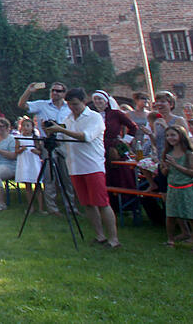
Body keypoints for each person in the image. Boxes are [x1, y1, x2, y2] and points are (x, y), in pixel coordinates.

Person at [45, 88, 120, 248]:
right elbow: (61, 139)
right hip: (74, 166)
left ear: (84, 102)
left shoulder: (95, 118)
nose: (73, 108)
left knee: (101, 203)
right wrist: (52, 132)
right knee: (86, 203)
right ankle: (99, 236)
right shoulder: (69, 118)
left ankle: (114, 239)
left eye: (76, 105)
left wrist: (61, 129)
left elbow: (85, 136)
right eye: (70, 105)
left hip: (92, 165)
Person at [18, 81, 76, 217]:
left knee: (67, 176)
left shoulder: (69, 108)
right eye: (53, 90)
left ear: (64, 93)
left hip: (65, 142)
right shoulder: (42, 105)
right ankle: (52, 208)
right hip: (48, 143)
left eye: (58, 91)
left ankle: (71, 207)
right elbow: (21, 105)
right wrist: (29, 91)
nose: (55, 93)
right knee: (49, 177)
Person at [91, 90, 138, 209]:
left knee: (121, 173)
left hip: (114, 147)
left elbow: (133, 127)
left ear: (106, 101)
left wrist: (126, 140)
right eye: (95, 99)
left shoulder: (116, 114)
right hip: (99, 147)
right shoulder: (92, 114)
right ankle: (108, 202)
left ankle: (127, 203)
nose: (98, 102)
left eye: (100, 99)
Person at [160, 125, 193, 248]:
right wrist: (166, 168)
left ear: (181, 136)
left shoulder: (189, 154)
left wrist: (176, 165)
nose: (170, 138)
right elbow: (164, 173)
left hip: (187, 188)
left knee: (192, 215)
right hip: (172, 188)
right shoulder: (167, 153)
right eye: (168, 135)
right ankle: (170, 240)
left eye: (173, 135)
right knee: (171, 215)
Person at [14, 117, 44, 214]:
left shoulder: (35, 138)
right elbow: (16, 151)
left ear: (32, 127)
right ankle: (30, 207)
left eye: (28, 126)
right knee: (28, 187)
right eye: (24, 126)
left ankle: (41, 207)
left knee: (38, 186)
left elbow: (40, 151)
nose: (26, 128)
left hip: (34, 163)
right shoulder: (19, 138)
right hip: (24, 163)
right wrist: (21, 150)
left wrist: (36, 151)